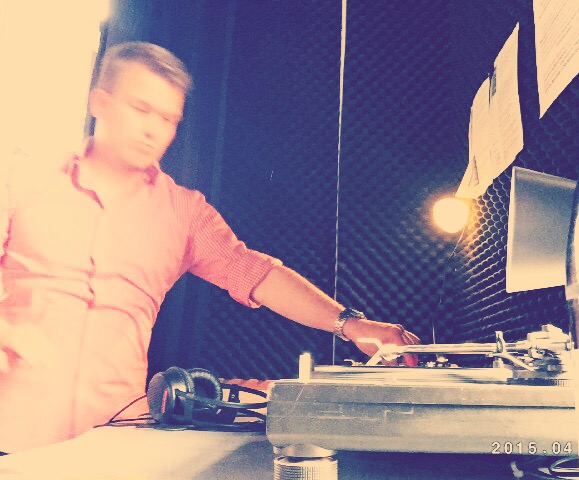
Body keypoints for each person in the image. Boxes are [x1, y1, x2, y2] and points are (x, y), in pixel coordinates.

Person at [0, 41, 420, 454]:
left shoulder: (184, 212)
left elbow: (254, 271)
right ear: (100, 102)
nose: (152, 130)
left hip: (110, 442)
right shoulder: (23, 180)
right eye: (140, 108)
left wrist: (352, 324)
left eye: (168, 118)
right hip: (10, 434)